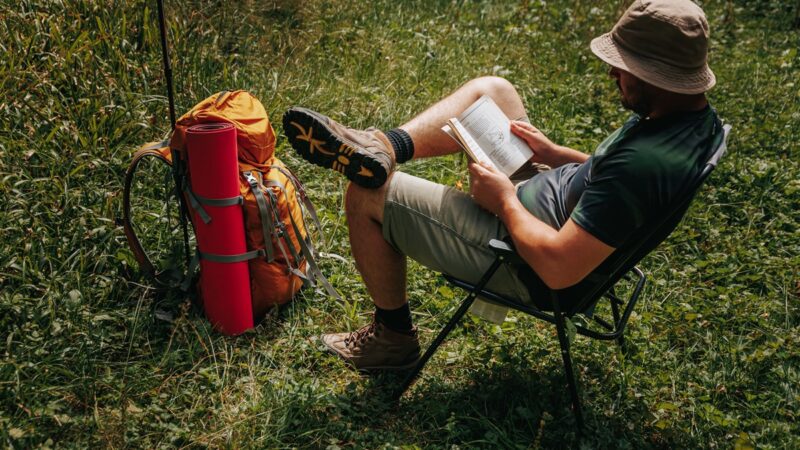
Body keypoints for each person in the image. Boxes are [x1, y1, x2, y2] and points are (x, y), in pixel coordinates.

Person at [282, 0, 721, 371]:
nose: (613, 75)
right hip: (547, 202)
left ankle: (393, 338)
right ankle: (382, 148)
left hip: (521, 256)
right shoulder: (690, 123)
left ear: (655, 75)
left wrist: (504, 199)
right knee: (493, 90)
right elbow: (612, 177)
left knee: (365, 193)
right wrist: (555, 155)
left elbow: (558, 267)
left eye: (624, 68)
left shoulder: (644, 166)